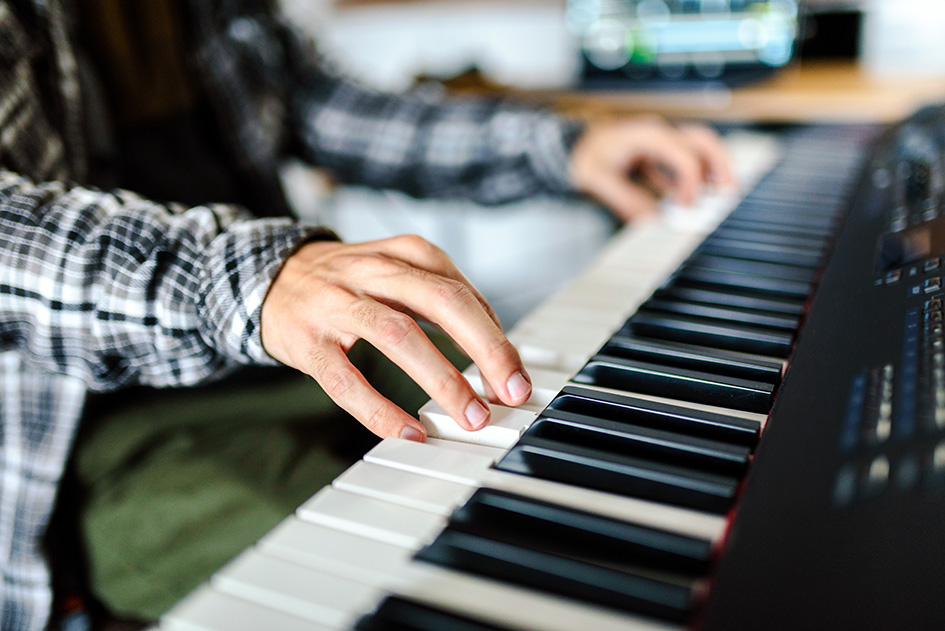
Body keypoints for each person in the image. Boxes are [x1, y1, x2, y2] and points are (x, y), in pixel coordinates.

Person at [0, 0, 734, 629]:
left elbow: (322, 105)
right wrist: (258, 279)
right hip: (80, 429)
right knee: (442, 587)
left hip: (292, 344)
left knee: (589, 460)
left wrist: (563, 146)